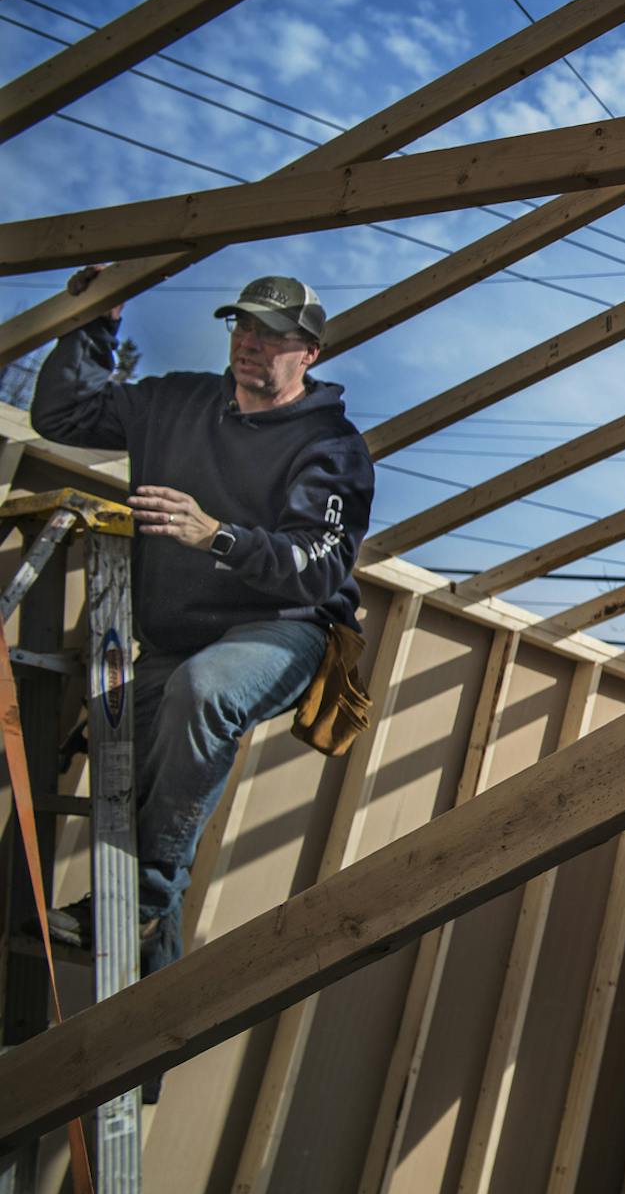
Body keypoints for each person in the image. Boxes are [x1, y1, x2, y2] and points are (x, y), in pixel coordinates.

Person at [32, 269, 374, 978]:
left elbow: (317, 567)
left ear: (310, 352)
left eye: (273, 335)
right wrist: (97, 321)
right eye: (242, 326)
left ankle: (141, 896)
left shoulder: (332, 446)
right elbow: (62, 415)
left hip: (282, 628)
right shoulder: (175, 401)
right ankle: (147, 1024)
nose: (251, 344)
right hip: (174, 633)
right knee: (138, 773)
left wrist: (216, 534)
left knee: (207, 690)